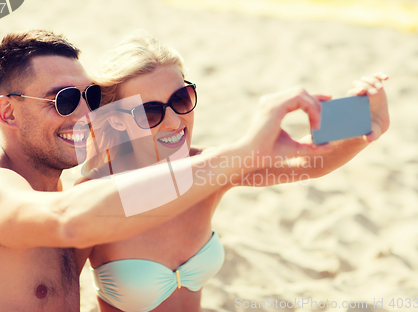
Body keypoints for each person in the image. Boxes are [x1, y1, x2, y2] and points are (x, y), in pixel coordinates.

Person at [0, 29, 329, 311]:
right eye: (62, 100)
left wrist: (365, 118)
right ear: (7, 111)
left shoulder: (62, 194)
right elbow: (69, 222)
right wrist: (243, 151)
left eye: (90, 97)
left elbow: (313, 162)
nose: (83, 114)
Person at [76, 30, 389, 312]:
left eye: (181, 98)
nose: (174, 122)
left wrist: (364, 121)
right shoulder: (91, 194)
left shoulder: (206, 169)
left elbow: (305, 161)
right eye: (150, 111)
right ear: (116, 120)